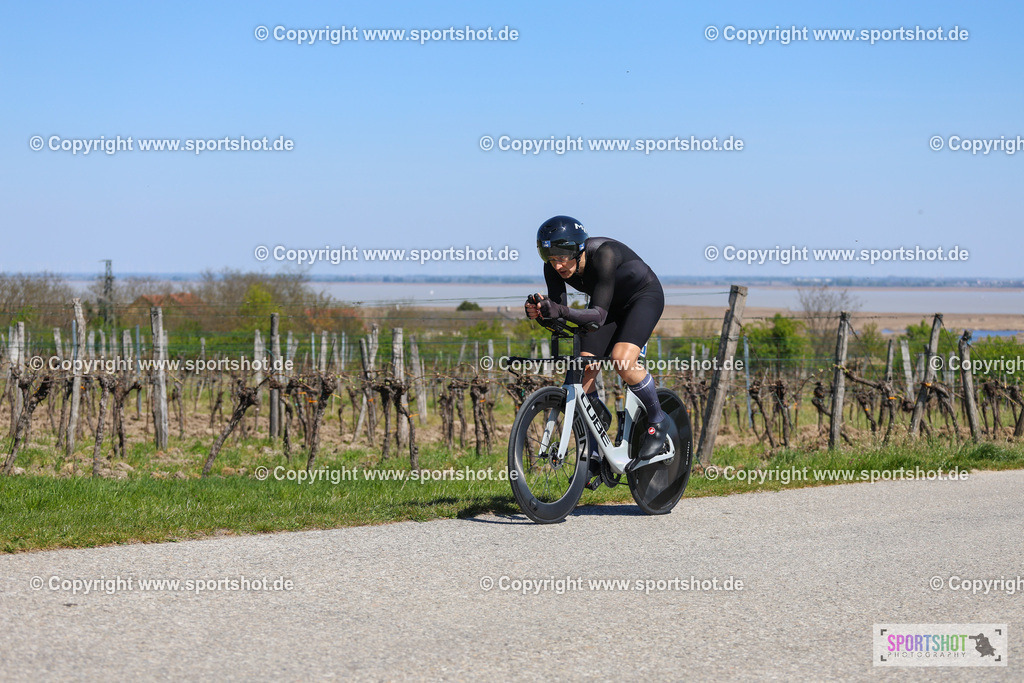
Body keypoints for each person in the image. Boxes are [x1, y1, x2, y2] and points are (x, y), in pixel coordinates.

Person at [524, 215, 668, 473]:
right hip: (608, 306)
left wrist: (558, 310)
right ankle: (594, 454)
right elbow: (561, 319)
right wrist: (541, 314)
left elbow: (597, 316)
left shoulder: (604, 254)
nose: (558, 265)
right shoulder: (553, 268)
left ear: (578, 249)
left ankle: (658, 420)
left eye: (562, 257)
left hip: (642, 297)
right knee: (582, 368)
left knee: (622, 359)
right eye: (551, 258)